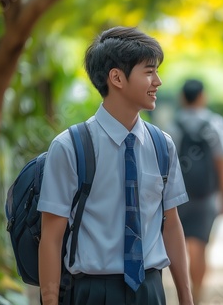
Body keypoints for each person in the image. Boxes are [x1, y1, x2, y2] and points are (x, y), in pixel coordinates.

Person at [38, 26, 193, 305]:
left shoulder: (162, 145)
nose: (158, 81)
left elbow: (171, 225)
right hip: (91, 292)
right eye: (149, 71)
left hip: (150, 290)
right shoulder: (70, 146)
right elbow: (51, 236)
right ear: (117, 78)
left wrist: (186, 298)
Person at [168, 78, 223, 304]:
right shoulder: (214, 123)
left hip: (178, 197)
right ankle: (197, 295)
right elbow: (222, 162)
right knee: (200, 245)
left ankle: (184, 294)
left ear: (182, 98)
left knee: (181, 245)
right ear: (202, 96)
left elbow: (167, 164)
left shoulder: (172, 125)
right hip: (206, 195)